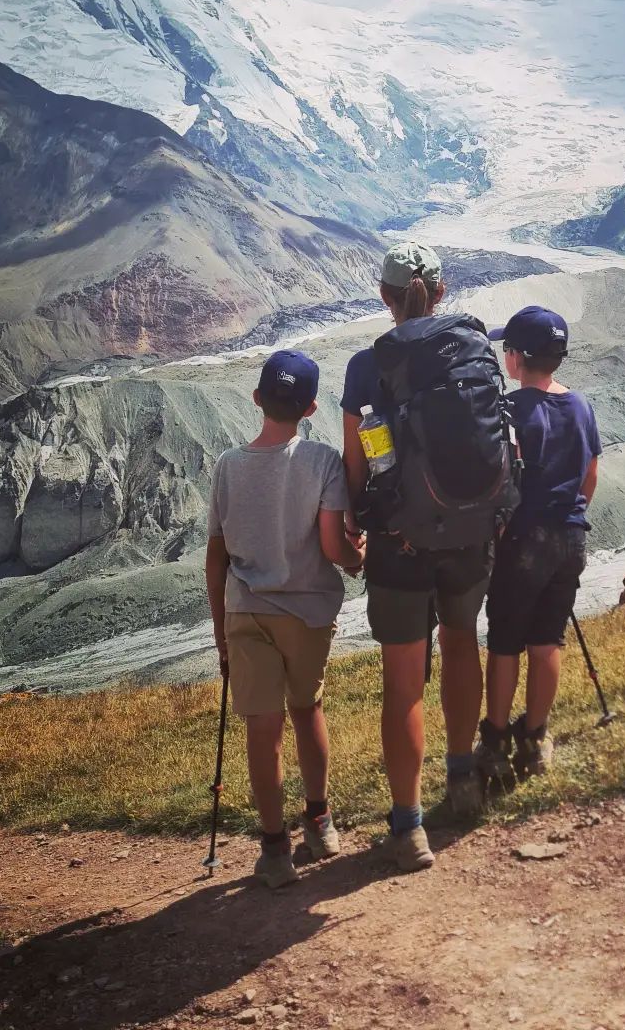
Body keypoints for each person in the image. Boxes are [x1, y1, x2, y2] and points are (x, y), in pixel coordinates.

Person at [340, 242, 492, 872]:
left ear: (385, 297)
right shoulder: (473, 349)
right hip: (469, 529)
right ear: (442, 291)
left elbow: (355, 459)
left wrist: (358, 520)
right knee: (461, 644)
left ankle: (408, 828)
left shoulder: (365, 365)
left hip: (400, 542)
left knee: (403, 681)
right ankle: (464, 782)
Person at [205, 349, 365, 889]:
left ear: (256, 399)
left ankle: (274, 850)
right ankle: (319, 822)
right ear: (312, 407)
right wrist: (357, 559)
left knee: (261, 728)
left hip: (246, 609)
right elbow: (330, 543)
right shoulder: (321, 462)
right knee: (307, 709)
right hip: (309, 610)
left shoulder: (228, 466)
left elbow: (216, 555)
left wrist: (219, 628)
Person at [477, 305, 601, 783]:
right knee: (548, 637)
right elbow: (590, 476)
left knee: (506, 641)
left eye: (506, 349)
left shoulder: (509, 410)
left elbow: (497, 480)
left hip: (522, 540)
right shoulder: (581, 406)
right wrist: (571, 513)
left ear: (515, 359)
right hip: (569, 538)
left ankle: (495, 738)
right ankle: (536, 736)